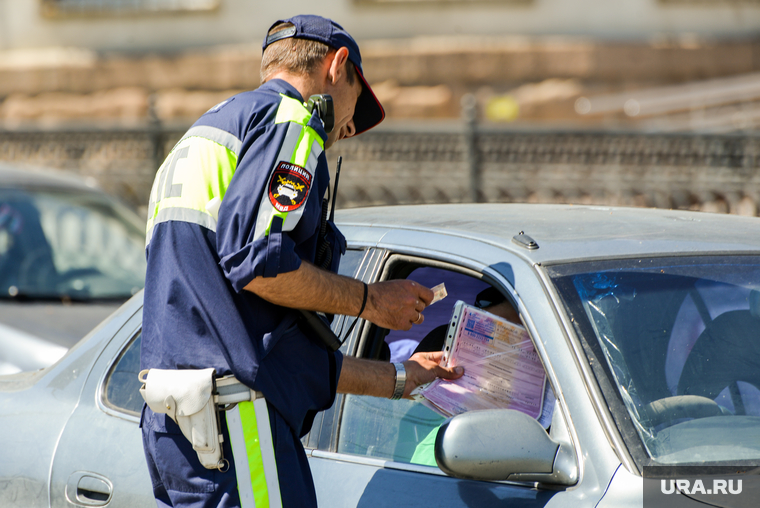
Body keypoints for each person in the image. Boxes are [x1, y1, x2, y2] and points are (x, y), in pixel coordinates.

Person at [139, 14, 463, 508]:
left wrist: (401, 377)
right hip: (238, 426)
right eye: (356, 103)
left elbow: (263, 347)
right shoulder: (290, 122)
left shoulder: (204, 135)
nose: (348, 128)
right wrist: (372, 301)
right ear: (337, 67)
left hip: (177, 425)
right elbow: (260, 265)